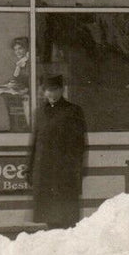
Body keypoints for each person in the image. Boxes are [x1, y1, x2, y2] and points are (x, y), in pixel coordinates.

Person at [25, 74, 87, 229]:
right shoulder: (40, 112)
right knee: (48, 215)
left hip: (64, 172)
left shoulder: (73, 111)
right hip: (44, 170)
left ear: (62, 90)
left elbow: (80, 145)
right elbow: (34, 142)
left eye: (54, 90)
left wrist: (77, 170)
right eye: (47, 90)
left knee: (66, 216)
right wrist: (29, 168)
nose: (51, 94)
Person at [0, 36, 31, 132]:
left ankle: (21, 128)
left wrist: (20, 86)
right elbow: (17, 78)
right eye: (15, 49)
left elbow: (28, 79)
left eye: (20, 48)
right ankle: (15, 127)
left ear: (26, 48)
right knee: (3, 93)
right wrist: (12, 84)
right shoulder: (21, 63)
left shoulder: (28, 62)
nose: (17, 52)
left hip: (28, 93)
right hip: (22, 91)